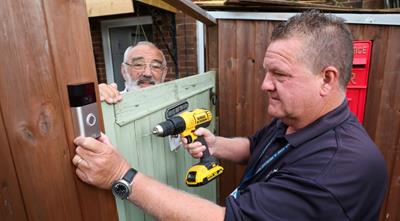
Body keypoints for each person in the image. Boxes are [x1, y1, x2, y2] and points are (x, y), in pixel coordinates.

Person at [73, 11, 388, 220]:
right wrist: (215, 143)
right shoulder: (299, 119)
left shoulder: (339, 169)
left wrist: (122, 176)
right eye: (266, 71)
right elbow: (255, 146)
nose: (265, 85)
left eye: (279, 74)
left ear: (327, 79)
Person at [98, 41, 168, 104]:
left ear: (164, 73)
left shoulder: (175, 102)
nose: (147, 73)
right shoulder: (111, 104)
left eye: (155, 66)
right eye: (138, 65)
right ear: (124, 71)